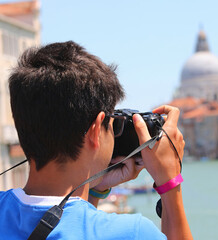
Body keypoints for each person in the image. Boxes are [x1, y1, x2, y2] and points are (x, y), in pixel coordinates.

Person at [0, 41, 193, 239]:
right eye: (113, 123)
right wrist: (170, 182)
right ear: (95, 131)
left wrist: (95, 188)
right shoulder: (132, 233)